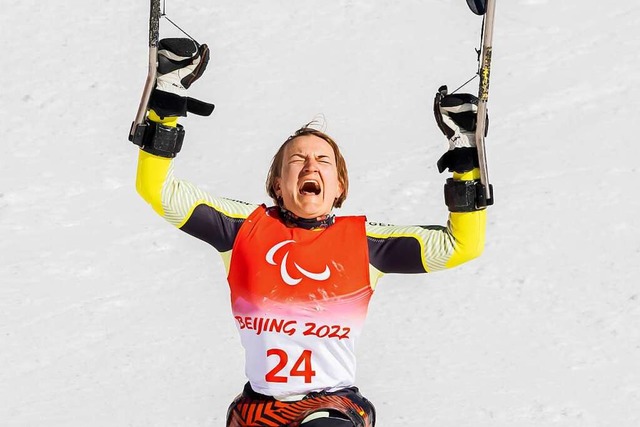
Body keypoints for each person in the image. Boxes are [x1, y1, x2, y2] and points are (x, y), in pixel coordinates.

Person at [132, 38, 487, 427]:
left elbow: (462, 245)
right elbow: (158, 190)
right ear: (278, 185)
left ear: (339, 187)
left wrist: (465, 155)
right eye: (297, 160)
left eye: (323, 161)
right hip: (259, 409)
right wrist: (166, 107)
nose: (310, 167)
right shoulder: (243, 229)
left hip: (331, 407)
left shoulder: (364, 244)